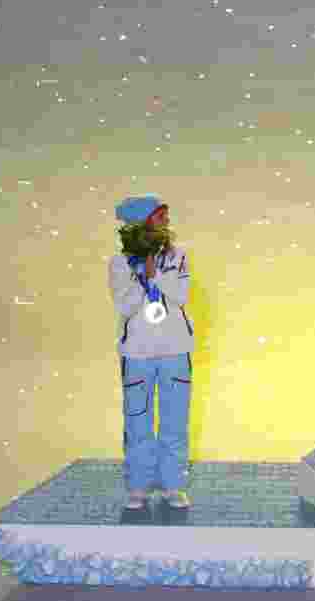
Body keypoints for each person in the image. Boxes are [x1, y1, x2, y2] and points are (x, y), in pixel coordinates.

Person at [109, 196, 194, 510]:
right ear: (143, 221)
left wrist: (156, 273)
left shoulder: (178, 255)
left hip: (175, 350)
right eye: (160, 216)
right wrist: (140, 275)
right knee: (137, 420)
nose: (166, 222)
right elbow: (126, 305)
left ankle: (174, 485)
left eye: (166, 216)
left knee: (175, 420)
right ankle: (138, 486)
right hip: (138, 353)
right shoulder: (119, 263)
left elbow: (181, 295)